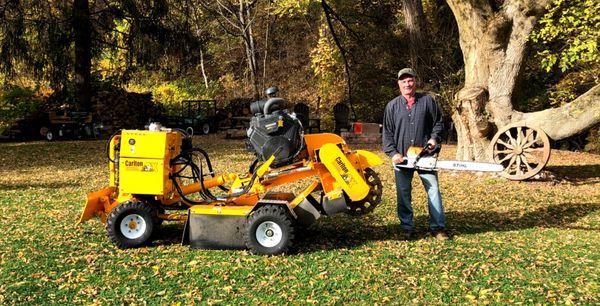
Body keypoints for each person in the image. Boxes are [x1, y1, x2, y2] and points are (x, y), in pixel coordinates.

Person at [382, 68, 448, 240]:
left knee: (433, 190)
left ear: (415, 82)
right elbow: (387, 134)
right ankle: (406, 228)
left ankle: (438, 228)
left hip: (425, 156)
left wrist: (434, 139)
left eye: (410, 80)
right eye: (403, 81)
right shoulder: (392, 106)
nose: (407, 84)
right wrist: (393, 153)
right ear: (399, 84)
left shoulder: (428, 101)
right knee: (403, 193)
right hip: (402, 159)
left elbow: (438, 123)